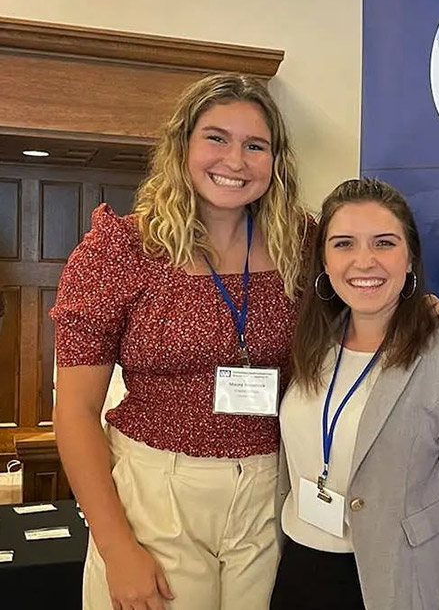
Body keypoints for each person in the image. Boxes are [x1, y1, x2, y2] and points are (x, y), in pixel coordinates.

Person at [51, 73, 310, 610]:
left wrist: (418, 307)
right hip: (156, 494)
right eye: (216, 138)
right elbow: (75, 411)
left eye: (255, 145)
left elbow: (368, 288)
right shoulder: (119, 249)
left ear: (275, 159)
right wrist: (116, 547)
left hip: (270, 492)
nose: (235, 161)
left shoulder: (301, 243)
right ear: (182, 145)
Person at [270, 178, 439, 610]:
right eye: (344, 244)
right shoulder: (309, 342)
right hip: (298, 565)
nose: (363, 261)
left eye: (384, 243)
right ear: (325, 263)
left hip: (396, 578)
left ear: (410, 259)